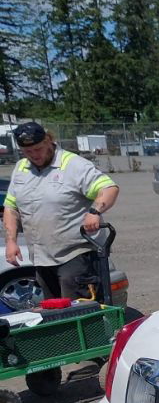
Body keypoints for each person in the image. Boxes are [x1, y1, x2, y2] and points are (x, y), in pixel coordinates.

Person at [3, 121, 119, 300]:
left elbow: (109, 188)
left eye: (38, 149)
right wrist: (11, 241)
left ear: (48, 141)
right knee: (54, 312)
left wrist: (94, 212)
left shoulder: (73, 165)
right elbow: (11, 207)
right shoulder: (21, 168)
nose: (34, 155)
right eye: (28, 152)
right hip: (42, 257)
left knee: (79, 311)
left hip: (76, 254)